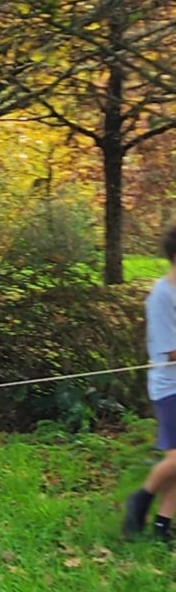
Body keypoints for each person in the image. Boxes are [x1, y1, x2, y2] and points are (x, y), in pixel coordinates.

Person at [123, 223, 176, 545]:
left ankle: (162, 527)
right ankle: (140, 499)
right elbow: (170, 350)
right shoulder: (162, 296)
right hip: (170, 387)